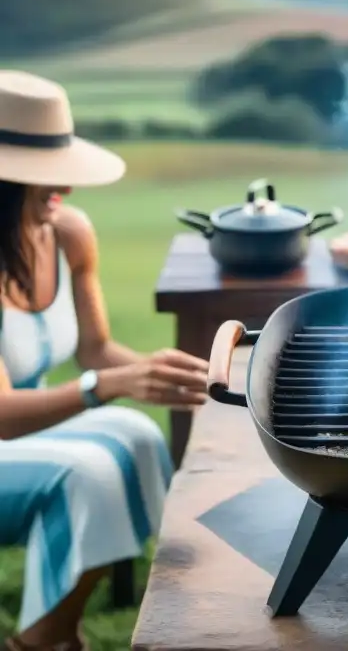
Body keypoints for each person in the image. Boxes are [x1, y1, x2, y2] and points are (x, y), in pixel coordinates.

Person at [0, 71, 209, 651]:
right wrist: (111, 382)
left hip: (25, 428)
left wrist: (160, 373)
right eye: (40, 179)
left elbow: (95, 352)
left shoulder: (66, 233)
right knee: (87, 471)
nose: (59, 193)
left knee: (138, 435)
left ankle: (59, 627)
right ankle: (44, 641)